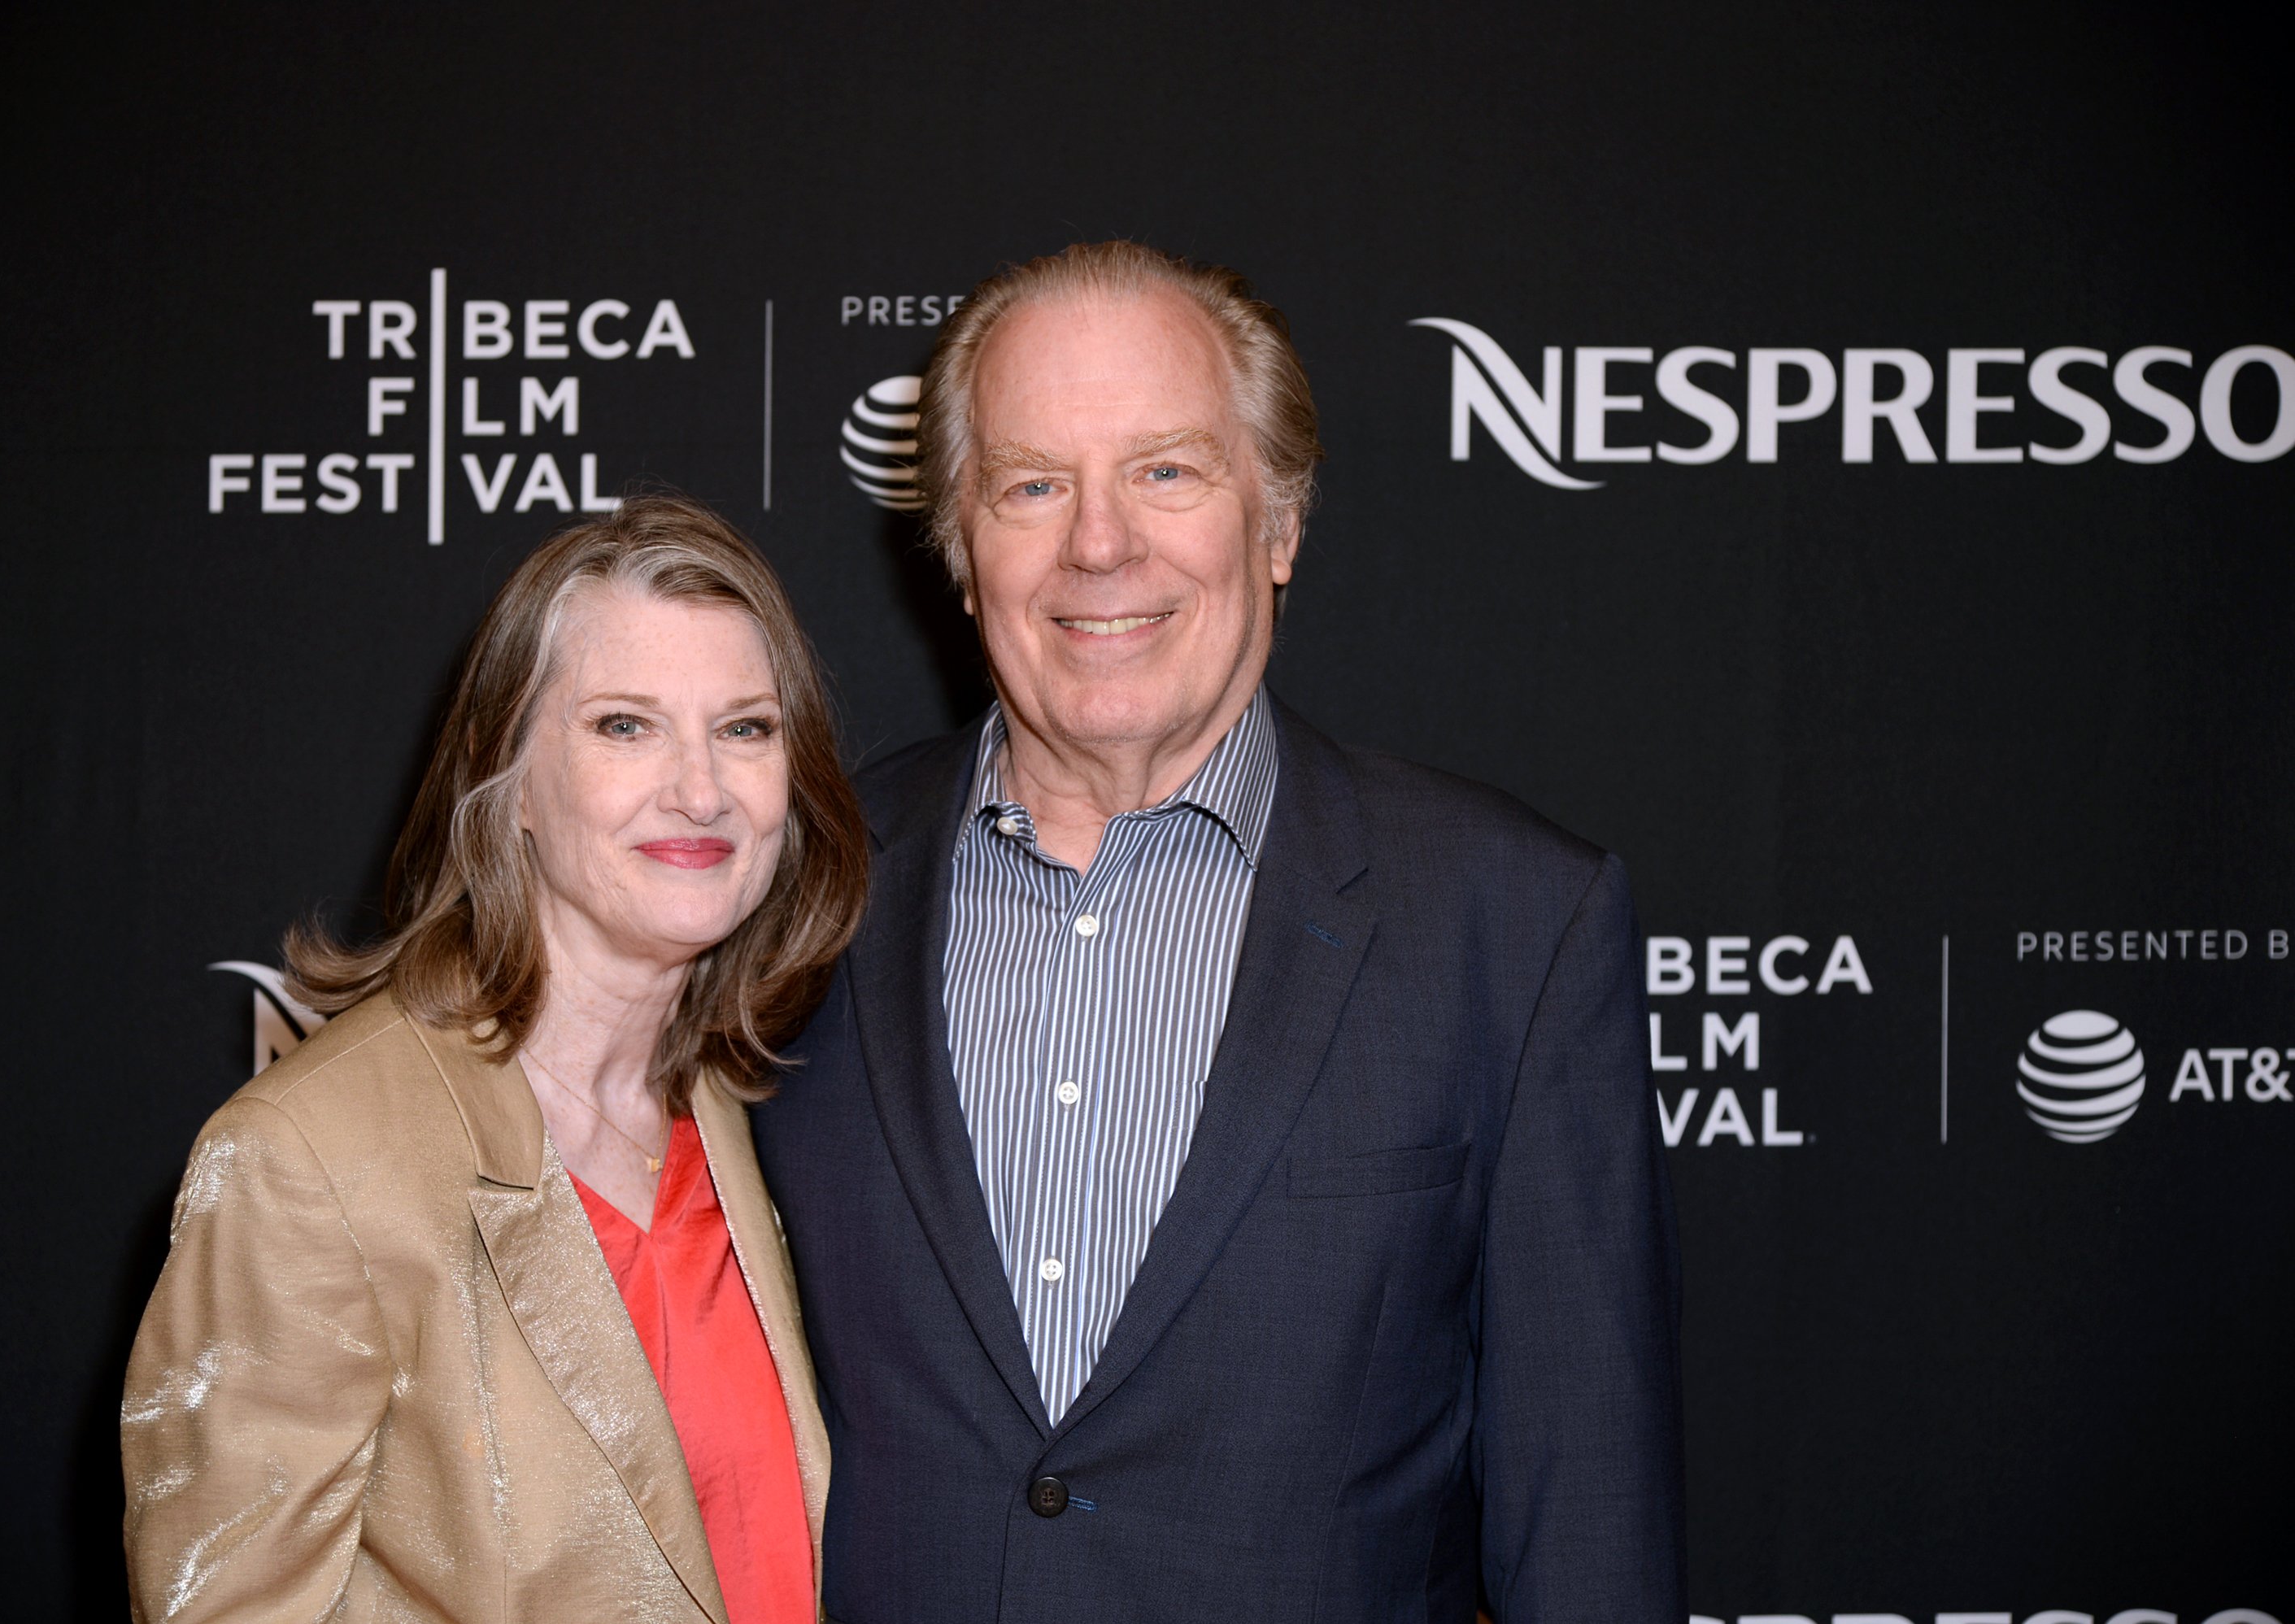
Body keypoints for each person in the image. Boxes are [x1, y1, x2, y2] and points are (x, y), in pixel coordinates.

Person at [748, 242, 1684, 1622]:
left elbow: (1587, 1527)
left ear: (1282, 523)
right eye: (1031, 484)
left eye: (1167, 470)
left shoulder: (1513, 922)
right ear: (960, 550)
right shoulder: (788, 886)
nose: (1100, 542)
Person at [122, 495, 869, 1622]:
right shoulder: (309, 1160)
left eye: (746, 727)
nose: (702, 789)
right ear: (508, 775)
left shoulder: (729, 1105)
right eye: (625, 724)